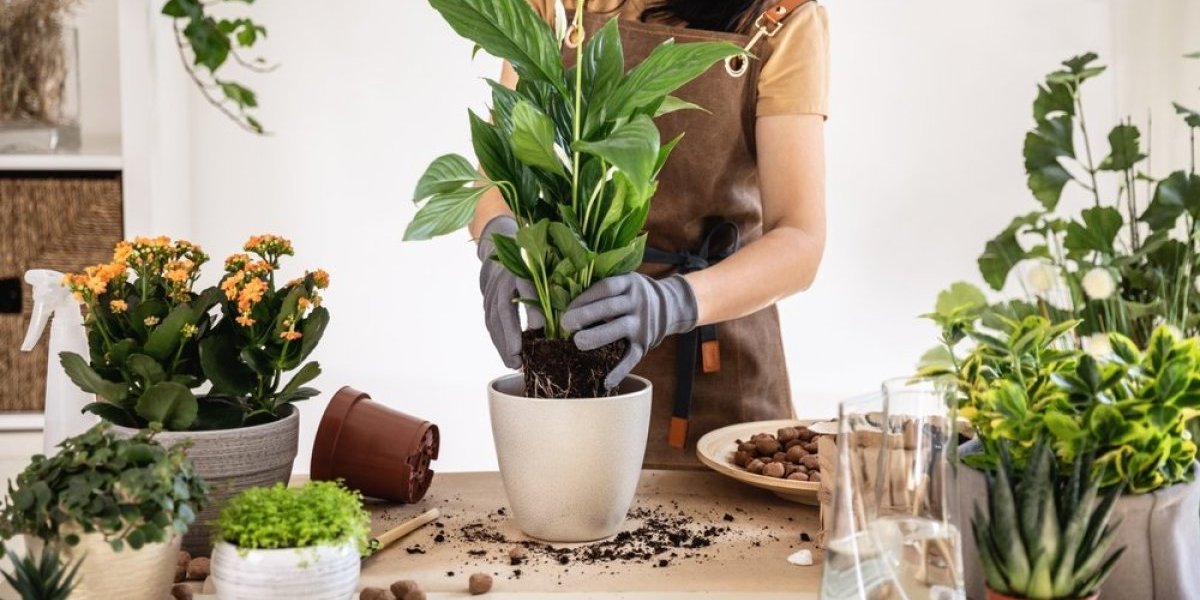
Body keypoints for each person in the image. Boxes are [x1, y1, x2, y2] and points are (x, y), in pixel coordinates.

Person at [472, 0, 829, 468]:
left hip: (716, 365)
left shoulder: (780, 16)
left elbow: (800, 238)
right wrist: (501, 240)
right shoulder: (559, 6)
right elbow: (500, 165)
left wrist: (673, 302)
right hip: (575, 351)